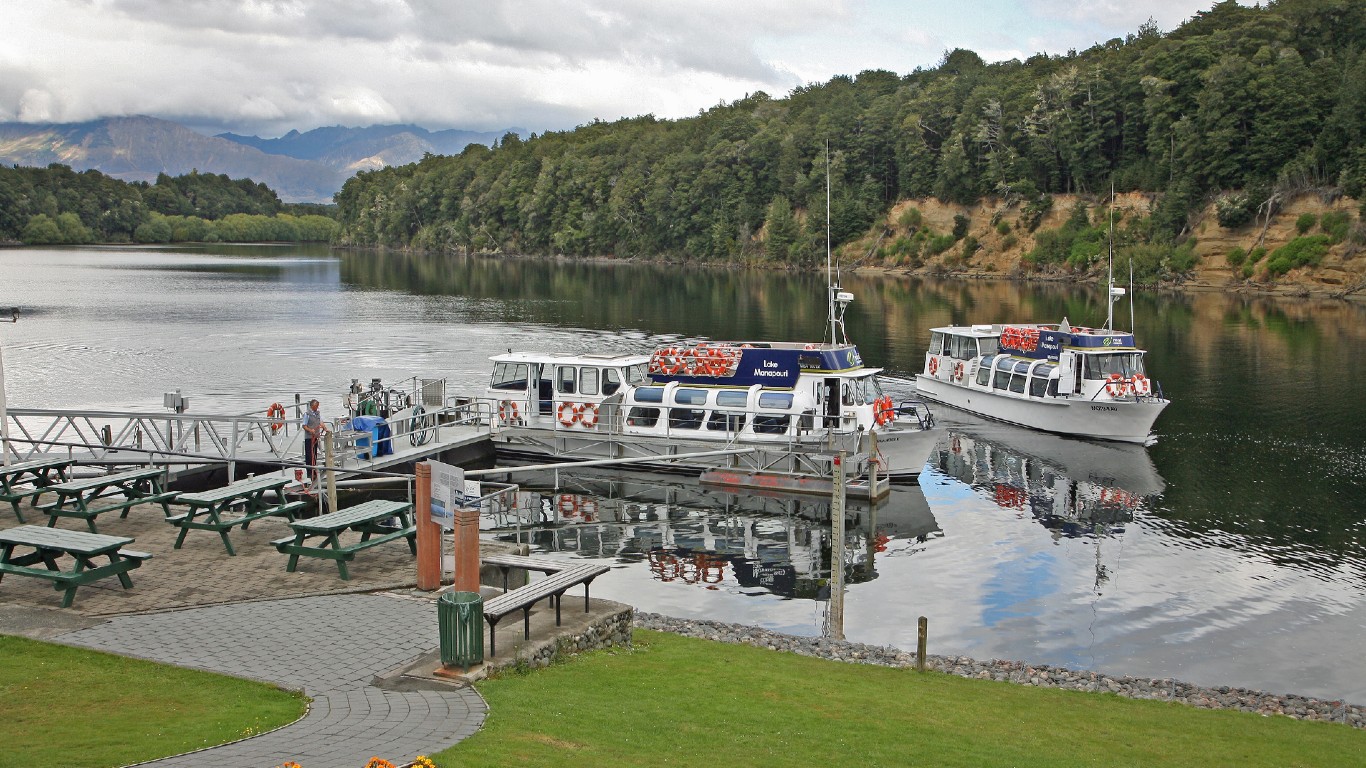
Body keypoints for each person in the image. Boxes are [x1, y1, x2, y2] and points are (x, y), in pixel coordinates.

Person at [302, 399, 325, 475]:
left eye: (318, 406)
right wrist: (310, 430)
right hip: (309, 437)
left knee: (314, 454)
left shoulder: (317, 413)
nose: (317, 408)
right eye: (316, 406)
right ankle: (309, 472)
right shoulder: (307, 414)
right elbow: (304, 426)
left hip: (315, 437)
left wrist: (325, 428)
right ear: (312, 406)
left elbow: (320, 422)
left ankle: (314, 470)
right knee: (309, 455)